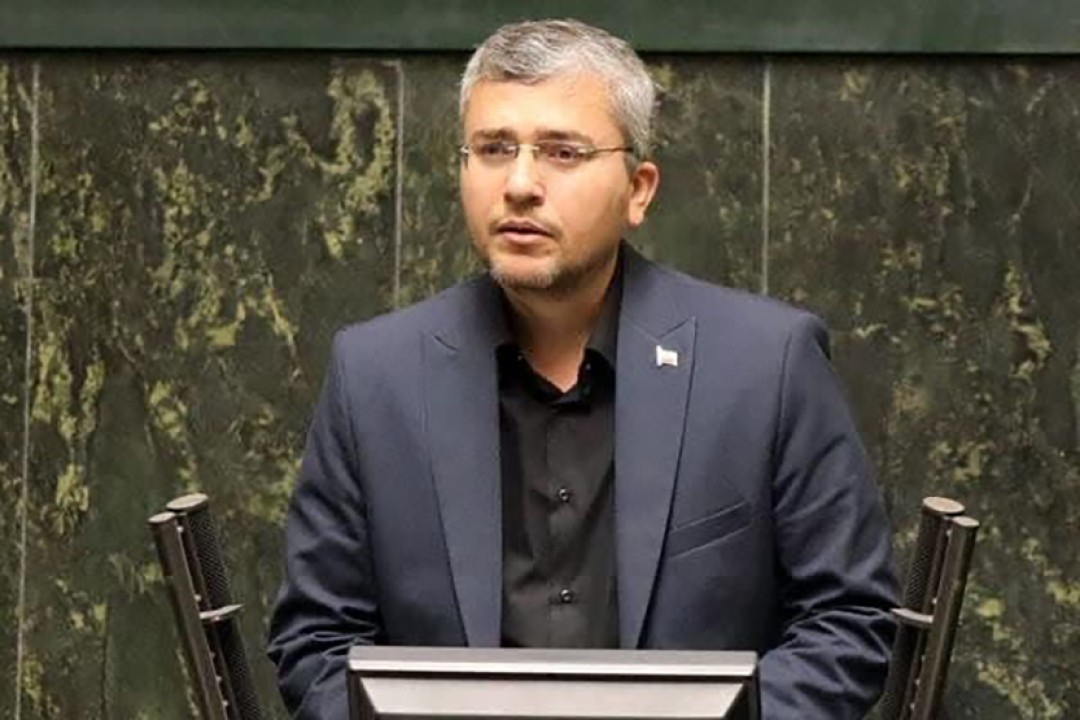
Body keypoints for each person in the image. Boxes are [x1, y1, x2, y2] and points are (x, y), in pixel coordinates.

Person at [268, 18, 898, 720]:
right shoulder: (375, 377)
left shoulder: (766, 364)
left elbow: (848, 622)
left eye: (562, 152)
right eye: (493, 149)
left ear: (639, 190)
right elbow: (317, 642)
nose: (520, 184)